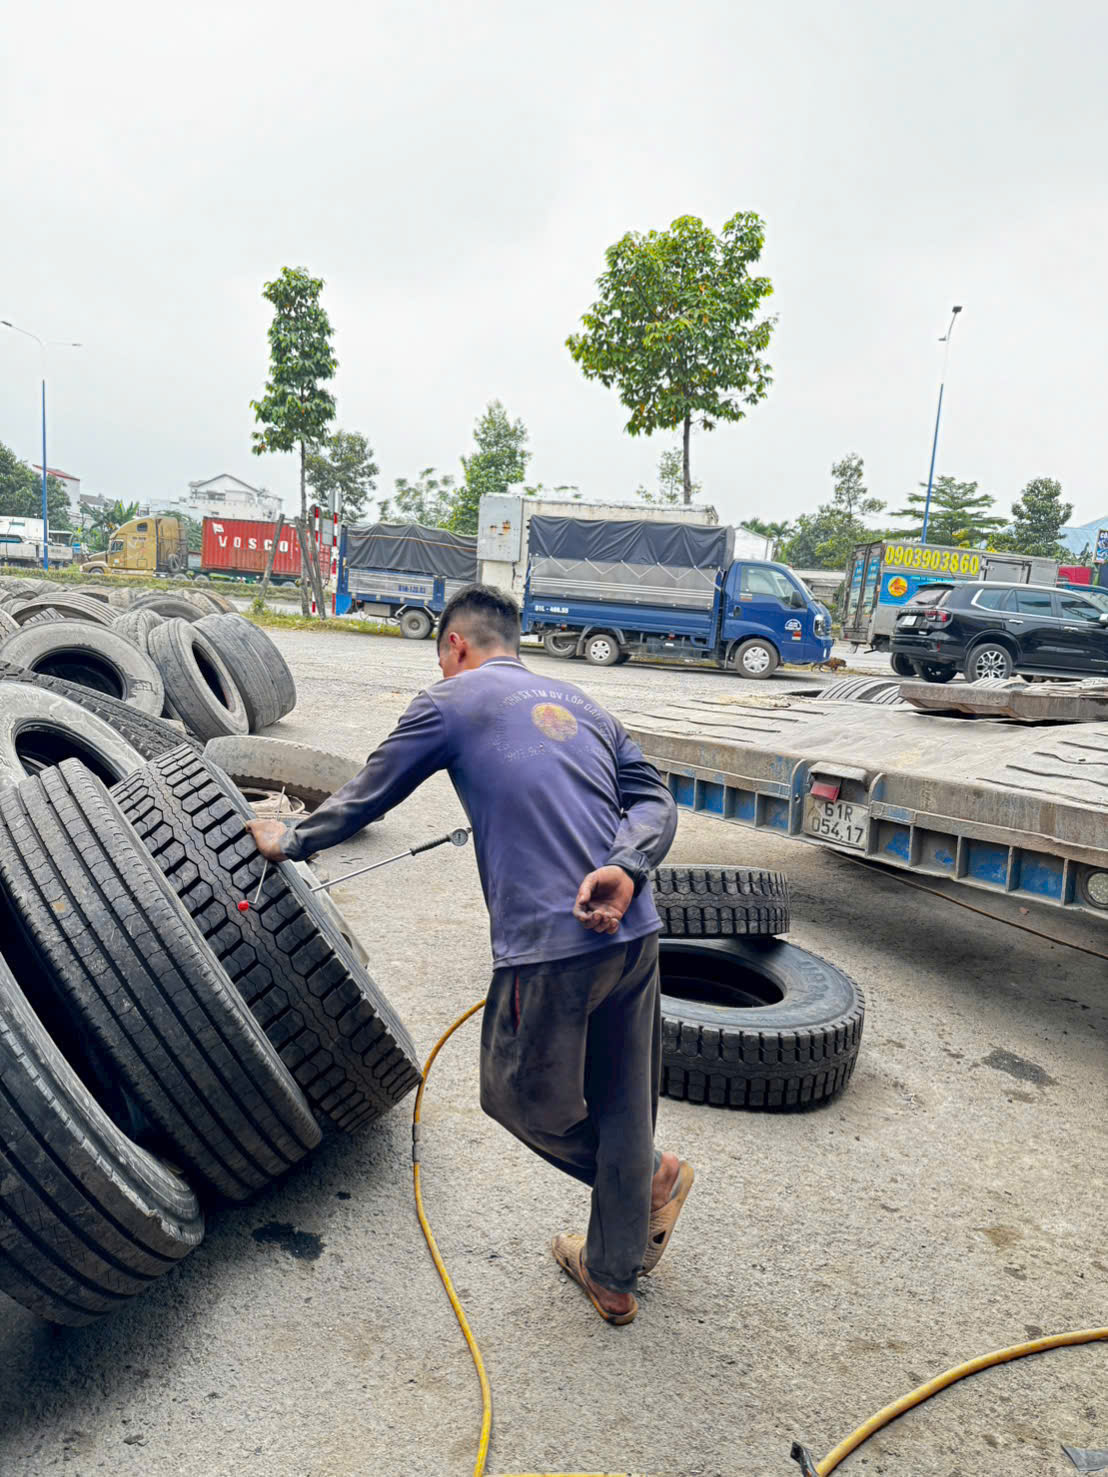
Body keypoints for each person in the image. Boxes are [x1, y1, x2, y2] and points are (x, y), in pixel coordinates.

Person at [246, 584, 693, 1325]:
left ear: (454, 643)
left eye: (441, 655)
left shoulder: (448, 701)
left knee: (513, 1095)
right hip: (635, 926)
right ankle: (613, 1276)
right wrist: (628, 864)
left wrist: (290, 837)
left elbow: (370, 791)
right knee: (623, 1103)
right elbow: (655, 802)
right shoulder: (587, 706)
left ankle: (646, 1180)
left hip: (550, 942)